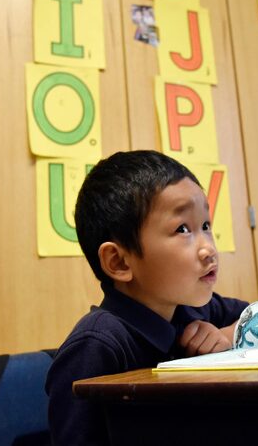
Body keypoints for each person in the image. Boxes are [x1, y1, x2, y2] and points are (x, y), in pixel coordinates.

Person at [45, 150, 247, 445]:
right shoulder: (95, 348)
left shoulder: (192, 311)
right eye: (182, 229)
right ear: (119, 263)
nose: (208, 249)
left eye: (205, 225)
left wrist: (230, 335)